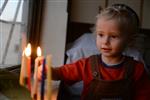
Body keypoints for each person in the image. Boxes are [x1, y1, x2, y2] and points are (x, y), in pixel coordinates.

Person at [38, 4, 150, 100]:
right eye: (101, 35)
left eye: (113, 36)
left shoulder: (137, 69)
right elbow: (63, 73)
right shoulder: (87, 64)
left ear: (129, 40)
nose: (105, 42)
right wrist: (48, 72)